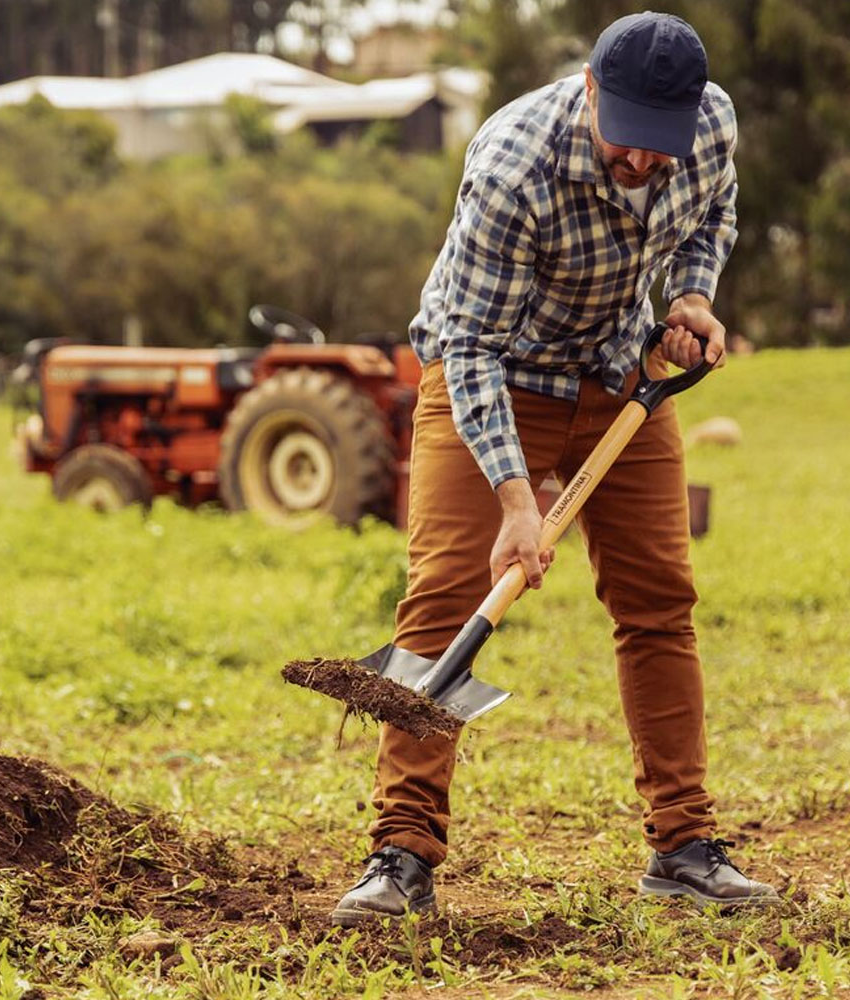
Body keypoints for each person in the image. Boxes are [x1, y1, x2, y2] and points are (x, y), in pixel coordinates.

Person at [331, 11, 779, 926]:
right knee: (443, 601)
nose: (645, 163)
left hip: (621, 380)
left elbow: (715, 209)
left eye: (663, 146)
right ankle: (401, 853)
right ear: (588, 90)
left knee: (659, 602)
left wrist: (692, 293)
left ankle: (684, 849)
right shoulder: (513, 166)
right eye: (628, 139)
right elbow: (473, 346)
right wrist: (513, 499)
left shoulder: (711, 126)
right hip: (491, 380)